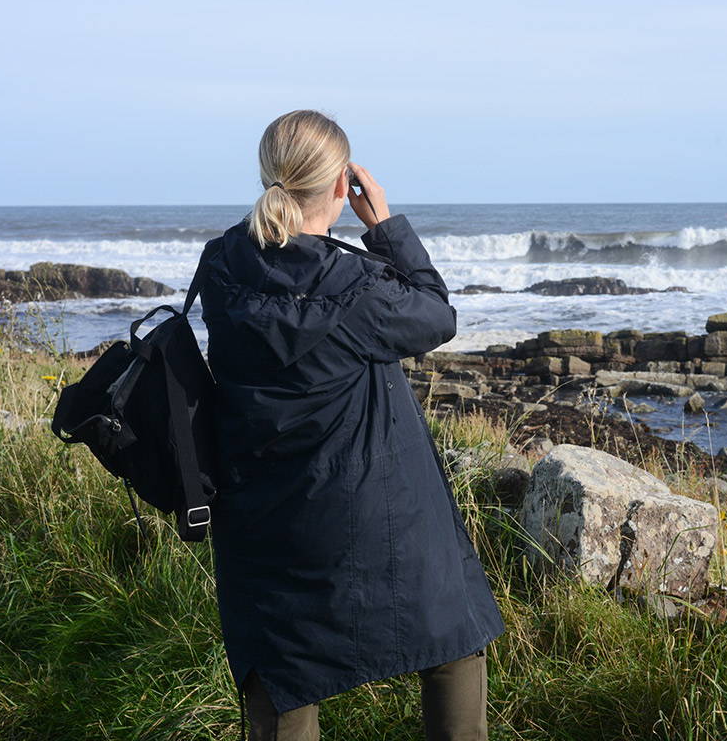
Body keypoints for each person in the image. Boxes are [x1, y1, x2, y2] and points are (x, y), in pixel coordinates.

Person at [198, 109, 506, 741]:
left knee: (282, 671)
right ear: (344, 185)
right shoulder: (357, 285)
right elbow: (435, 317)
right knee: (450, 629)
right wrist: (386, 227)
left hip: (260, 515)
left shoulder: (222, 267)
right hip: (371, 511)